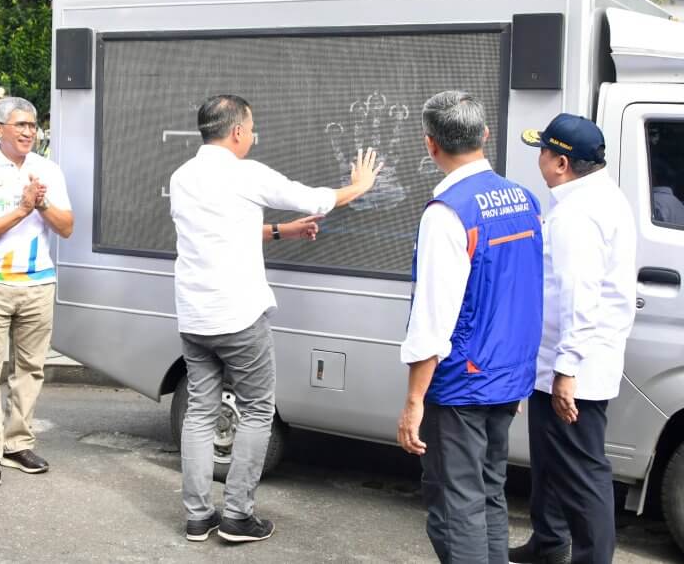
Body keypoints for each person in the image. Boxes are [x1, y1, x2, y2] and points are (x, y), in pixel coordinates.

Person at [169, 94, 381, 544]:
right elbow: (316, 199)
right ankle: (238, 516)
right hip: (239, 317)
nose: (254, 135)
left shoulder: (183, 176)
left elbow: (224, 230)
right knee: (257, 410)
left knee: (201, 414)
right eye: (252, 126)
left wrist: (284, 230)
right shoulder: (246, 173)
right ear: (238, 132)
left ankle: (198, 516)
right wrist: (358, 186)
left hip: (194, 316)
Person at [396, 91, 543, 563]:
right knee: (489, 492)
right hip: (507, 375)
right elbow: (527, 291)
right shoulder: (524, 200)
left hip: (462, 381)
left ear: (430, 144)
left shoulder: (448, 213)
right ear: (484, 135)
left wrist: (413, 401)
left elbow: (432, 319)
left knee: (454, 505)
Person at [509, 115, 637, 564]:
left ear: (560, 162)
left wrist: (567, 370)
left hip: (572, 364)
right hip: (561, 359)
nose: (539, 159)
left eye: (542, 151)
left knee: (582, 471)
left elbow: (578, 297)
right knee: (549, 461)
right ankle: (548, 543)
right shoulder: (601, 195)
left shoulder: (577, 215)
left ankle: (591, 558)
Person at [0, 96, 73, 486]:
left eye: (33, 126)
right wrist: (22, 210)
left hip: (38, 282)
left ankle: (17, 443)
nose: (29, 132)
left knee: (30, 369)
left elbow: (67, 226)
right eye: (20, 125)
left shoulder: (48, 171)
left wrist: (40, 204)